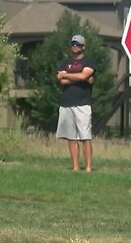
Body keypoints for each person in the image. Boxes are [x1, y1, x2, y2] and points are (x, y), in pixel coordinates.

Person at [56, 34, 95, 172]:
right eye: (73, 44)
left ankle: (89, 167)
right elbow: (61, 81)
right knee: (71, 137)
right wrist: (81, 77)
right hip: (66, 103)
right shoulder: (64, 62)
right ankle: (75, 167)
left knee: (85, 136)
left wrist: (66, 75)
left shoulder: (89, 61)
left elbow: (84, 75)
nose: (75, 46)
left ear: (83, 46)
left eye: (77, 44)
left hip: (83, 103)